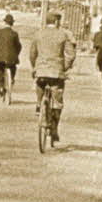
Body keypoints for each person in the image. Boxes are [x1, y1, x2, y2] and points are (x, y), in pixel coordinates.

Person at [30, 11, 76, 143]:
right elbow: (71, 54)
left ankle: (39, 104)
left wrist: (35, 67)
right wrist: (65, 67)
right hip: (57, 72)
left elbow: (32, 53)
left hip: (41, 70)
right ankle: (54, 129)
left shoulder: (38, 34)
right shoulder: (63, 35)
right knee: (58, 102)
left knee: (40, 83)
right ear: (56, 22)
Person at [0, 13, 22, 100]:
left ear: (5, 23)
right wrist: (16, 54)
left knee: (0, 69)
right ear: (12, 24)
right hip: (11, 56)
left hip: (0, 55)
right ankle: (12, 78)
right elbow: (19, 46)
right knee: (13, 67)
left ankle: (0, 87)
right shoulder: (15, 34)